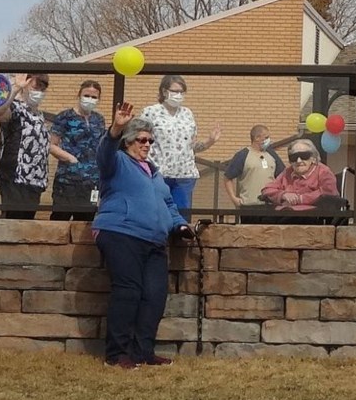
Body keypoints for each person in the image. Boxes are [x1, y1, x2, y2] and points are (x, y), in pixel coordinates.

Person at [93, 101, 192, 370]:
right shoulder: (117, 163)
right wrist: (115, 129)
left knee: (155, 295)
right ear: (127, 141)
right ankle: (116, 355)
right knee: (128, 291)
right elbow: (103, 154)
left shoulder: (155, 173)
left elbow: (169, 205)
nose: (147, 144)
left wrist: (180, 225)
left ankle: (142, 351)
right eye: (141, 139)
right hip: (120, 233)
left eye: (150, 140)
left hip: (155, 241)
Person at [140, 75, 221, 219]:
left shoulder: (187, 114)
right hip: (159, 174)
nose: (178, 95)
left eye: (182, 92)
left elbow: (192, 146)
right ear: (164, 91)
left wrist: (210, 141)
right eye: (175, 91)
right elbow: (139, 140)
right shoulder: (150, 112)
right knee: (158, 216)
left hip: (184, 175)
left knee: (181, 218)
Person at [0, 73, 51, 219]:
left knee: (27, 226)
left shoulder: (39, 115)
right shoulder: (16, 107)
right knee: (13, 225)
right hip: (15, 178)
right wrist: (16, 87)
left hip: (35, 181)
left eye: (43, 88)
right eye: (36, 86)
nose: (39, 92)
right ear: (27, 84)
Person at [49, 80, 106, 221]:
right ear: (79, 95)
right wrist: (70, 158)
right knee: (59, 222)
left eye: (94, 97)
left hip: (91, 182)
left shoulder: (99, 120)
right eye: (86, 95)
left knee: (85, 225)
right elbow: (51, 145)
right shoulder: (64, 117)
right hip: (67, 181)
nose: (90, 100)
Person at [261, 139, 338, 223]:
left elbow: (329, 194)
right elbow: (267, 189)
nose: (299, 161)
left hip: (310, 216)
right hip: (283, 213)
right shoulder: (287, 172)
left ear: (313, 158)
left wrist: (299, 199)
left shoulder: (324, 172)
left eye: (304, 156)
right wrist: (283, 195)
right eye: (294, 157)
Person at [223, 125, 285, 224]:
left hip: (270, 205)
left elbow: (282, 176)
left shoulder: (272, 154)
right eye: (266, 137)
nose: (268, 140)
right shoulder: (243, 155)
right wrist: (233, 198)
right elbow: (227, 177)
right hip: (249, 205)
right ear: (257, 138)